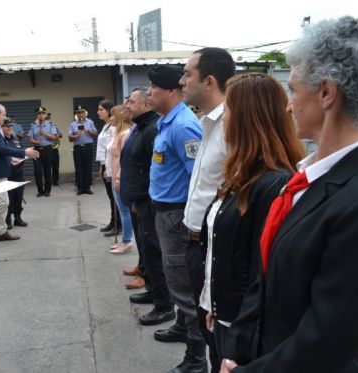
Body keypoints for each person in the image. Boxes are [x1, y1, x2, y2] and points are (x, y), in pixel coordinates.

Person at [221, 16, 358, 373]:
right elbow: (265, 278)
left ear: (326, 93)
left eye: (293, 90)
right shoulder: (308, 177)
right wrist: (236, 349)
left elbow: (328, 339)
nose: (288, 105)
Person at [199, 73, 305, 369]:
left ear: (247, 117)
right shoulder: (243, 173)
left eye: (229, 111)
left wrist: (237, 336)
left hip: (243, 332)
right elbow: (226, 249)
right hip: (223, 317)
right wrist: (213, 301)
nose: (224, 120)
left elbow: (264, 273)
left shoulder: (274, 183)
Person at [162, 47, 235, 371]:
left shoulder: (232, 127)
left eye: (187, 74)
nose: (181, 81)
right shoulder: (206, 123)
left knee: (215, 328)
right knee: (201, 317)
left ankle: (199, 363)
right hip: (194, 240)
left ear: (208, 81)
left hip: (213, 245)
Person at [146, 65, 205, 373]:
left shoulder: (183, 126)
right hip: (163, 213)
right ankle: (183, 327)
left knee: (184, 286)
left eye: (153, 88)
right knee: (175, 280)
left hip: (176, 216)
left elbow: (196, 177)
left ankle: (197, 358)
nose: (148, 93)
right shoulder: (166, 123)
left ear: (170, 91)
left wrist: (186, 223)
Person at [125, 88, 175, 326]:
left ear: (146, 105)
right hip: (141, 201)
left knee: (155, 255)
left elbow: (155, 170)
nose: (127, 106)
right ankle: (154, 292)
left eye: (132, 102)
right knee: (147, 251)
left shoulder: (153, 129)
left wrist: (144, 199)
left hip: (151, 202)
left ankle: (164, 306)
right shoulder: (140, 127)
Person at [0, 103, 39, 246]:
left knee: (1, 202)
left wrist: (11, 158)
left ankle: (1, 232)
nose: (5, 117)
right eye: (3, 114)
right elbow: (1, 148)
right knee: (3, 202)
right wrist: (24, 152)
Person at [119, 99, 145, 289]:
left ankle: (146, 275)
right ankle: (142, 266)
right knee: (140, 236)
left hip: (143, 196)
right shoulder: (135, 129)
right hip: (132, 192)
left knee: (147, 239)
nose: (126, 107)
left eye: (131, 103)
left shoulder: (146, 129)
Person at [108, 105, 133, 254]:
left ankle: (126, 241)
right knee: (122, 210)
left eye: (112, 115)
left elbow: (124, 159)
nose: (110, 118)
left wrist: (118, 178)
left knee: (125, 211)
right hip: (114, 176)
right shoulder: (117, 133)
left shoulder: (124, 134)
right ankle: (125, 239)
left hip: (119, 177)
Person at [96, 99, 121, 237]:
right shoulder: (106, 126)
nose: (98, 112)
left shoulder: (113, 128)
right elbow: (102, 150)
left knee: (114, 197)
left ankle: (118, 225)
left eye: (101, 109)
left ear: (109, 111)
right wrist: (102, 166)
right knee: (111, 197)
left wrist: (107, 168)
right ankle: (113, 222)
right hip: (105, 165)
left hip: (111, 166)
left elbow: (112, 150)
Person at [2, 118, 28, 229]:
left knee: (18, 196)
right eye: (7, 126)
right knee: (9, 197)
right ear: (2, 127)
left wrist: (24, 157)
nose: (10, 128)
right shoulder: (0, 140)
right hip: (7, 172)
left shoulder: (15, 138)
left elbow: (20, 151)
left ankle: (18, 217)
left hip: (18, 171)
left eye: (11, 126)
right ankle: (7, 219)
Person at [68, 105, 98, 195]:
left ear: (85, 113)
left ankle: (87, 187)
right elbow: (69, 138)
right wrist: (75, 136)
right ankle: (80, 188)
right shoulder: (73, 124)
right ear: (77, 114)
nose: (81, 114)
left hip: (88, 146)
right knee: (79, 167)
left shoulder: (90, 122)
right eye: (79, 112)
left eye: (82, 112)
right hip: (77, 148)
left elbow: (96, 133)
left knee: (88, 167)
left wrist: (88, 130)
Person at [28, 106, 57, 197]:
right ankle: (40, 191)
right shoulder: (33, 126)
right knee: (37, 171)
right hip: (37, 149)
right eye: (39, 114)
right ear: (37, 115)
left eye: (42, 113)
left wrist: (44, 133)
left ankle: (47, 190)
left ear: (45, 114)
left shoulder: (51, 124)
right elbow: (31, 139)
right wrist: (37, 142)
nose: (41, 115)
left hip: (47, 149)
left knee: (47, 170)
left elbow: (54, 137)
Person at [47, 113, 62, 186]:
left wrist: (57, 136)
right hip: (47, 148)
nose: (48, 120)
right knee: (47, 166)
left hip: (54, 148)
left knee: (56, 165)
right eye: (47, 118)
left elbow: (60, 134)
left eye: (49, 118)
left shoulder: (53, 126)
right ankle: (48, 181)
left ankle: (55, 180)